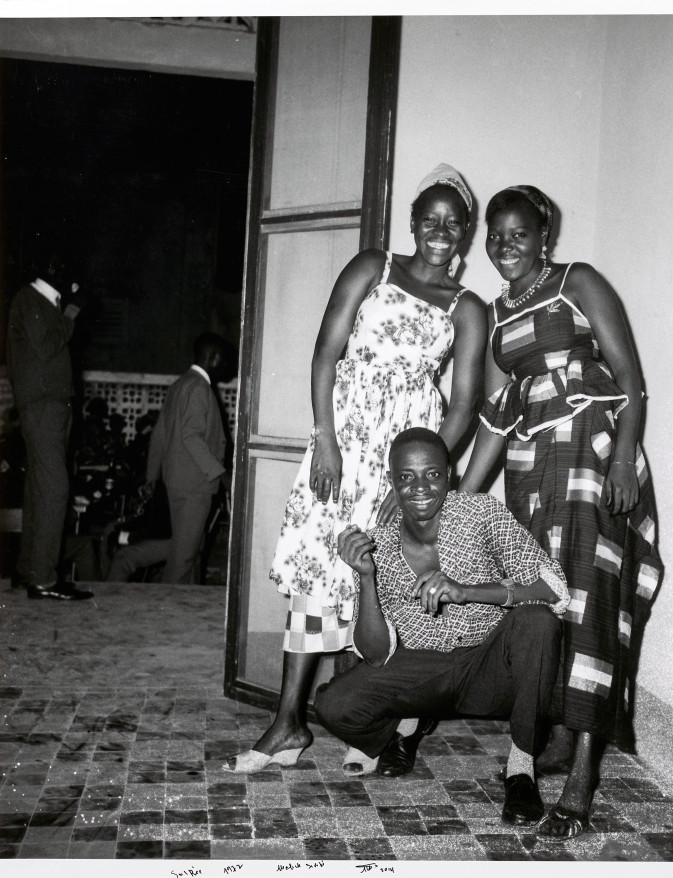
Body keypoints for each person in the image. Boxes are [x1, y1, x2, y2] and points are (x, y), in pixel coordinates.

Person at [223, 165, 486, 775]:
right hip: (344, 439)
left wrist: (418, 481)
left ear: (465, 231)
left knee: (378, 580)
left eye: (453, 223)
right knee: (321, 572)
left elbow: (466, 405)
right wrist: (325, 442)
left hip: (406, 457)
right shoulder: (374, 266)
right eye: (430, 219)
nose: (440, 231)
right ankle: (288, 722)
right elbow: (325, 352)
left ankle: (356, 722)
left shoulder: (467, 307)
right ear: (414, 222)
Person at [460, 185, 663, 839]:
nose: (504, 245)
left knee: (591, 603)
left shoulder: (579, 281)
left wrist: (626, 457)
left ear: (544, 235)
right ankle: (551, 737)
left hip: (588, 457)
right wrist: (464, 499)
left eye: (517, 233)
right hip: (530, 475)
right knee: (546, 603)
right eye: (495, 235)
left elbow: (629, 377)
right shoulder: (495, 314)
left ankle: (582, 778)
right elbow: (495, 417)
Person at [314, 428, 569, 826]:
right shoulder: (376, 544)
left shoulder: (481, 513)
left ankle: (521, 770)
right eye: (406, 477)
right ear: (392, 481)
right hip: (424, 670)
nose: (419, 487)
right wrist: (366, 577)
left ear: (448, 475)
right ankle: (411, 721)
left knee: (537, 622)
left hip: (489, 665)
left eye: (431, 474)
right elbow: (377, 653)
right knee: (333, 706)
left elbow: (553, 588)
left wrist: (467, 591)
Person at [6, 250, 93, 600]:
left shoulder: (42, 303)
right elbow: (47, 345)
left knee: (40, 489)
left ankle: (28, 570)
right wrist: (73, 309)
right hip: (43, 408)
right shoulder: (30, 299)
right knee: (55, 488)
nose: (75, 282)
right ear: (54, 270)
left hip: (51, 408)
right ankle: (44, 579)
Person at [144, 332, 233, 584]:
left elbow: (160, 435)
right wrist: (221, 474)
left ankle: (186, 609)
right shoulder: (199, 388)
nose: (226, 367)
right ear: (213, 357)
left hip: (177, 482)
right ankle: (167, 613)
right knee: (183, 558)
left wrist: (151, 477)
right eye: (224, 360)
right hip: (195, 485)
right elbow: (191, 438)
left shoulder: (180, 385)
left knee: (191, 552)